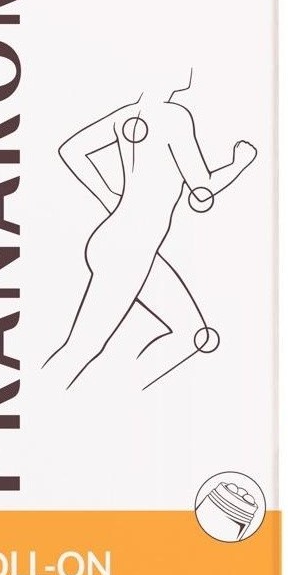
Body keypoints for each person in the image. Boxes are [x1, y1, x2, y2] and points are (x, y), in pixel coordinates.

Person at [45, 70, 257, 389]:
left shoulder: (129, 115)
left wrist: (110, 197)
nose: (189, 68)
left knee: (191, 333)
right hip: (129, 251)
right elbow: (203, 187)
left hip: (122, 242)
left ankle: (124, 396)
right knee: (81, 349)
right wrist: (240, 162)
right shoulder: (174, 117)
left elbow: (71, 151)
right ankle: (49, 394)